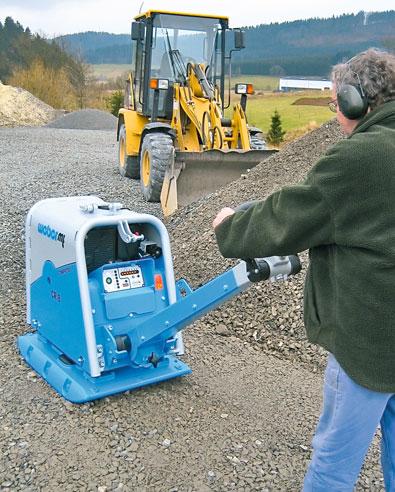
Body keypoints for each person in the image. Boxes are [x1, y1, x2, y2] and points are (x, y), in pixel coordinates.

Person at [212, 48, 395, 491]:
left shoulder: (361, 158)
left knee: (333, 464)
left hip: (369, 344)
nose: (336, 115)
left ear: (356, 101)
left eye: (337, 104)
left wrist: (228, 228)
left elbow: (285, 216)